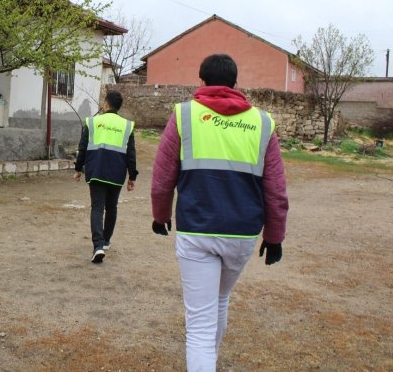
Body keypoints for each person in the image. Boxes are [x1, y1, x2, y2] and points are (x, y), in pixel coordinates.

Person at [150, 54, 289, 371]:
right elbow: (276, 189)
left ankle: (205, 362)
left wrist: (160, 215)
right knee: (220, 300)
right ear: (235, 84)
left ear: (200, 81)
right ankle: (208, 362)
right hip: (242, 234)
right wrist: (275, 236)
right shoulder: (262, 123)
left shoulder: (184, 115)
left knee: (199, 322)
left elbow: (161, 178)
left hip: (197, 231)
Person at [74, 90, 138, 263]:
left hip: (96, 170)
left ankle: (98, 246)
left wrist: (78, 168)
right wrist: (132, 176)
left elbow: (83, 147)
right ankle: (106, 240)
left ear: (106, 104)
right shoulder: (127, 126)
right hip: (117, 172)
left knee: (97, 207)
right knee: (112, 207)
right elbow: (131, 153)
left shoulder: (92, 122)